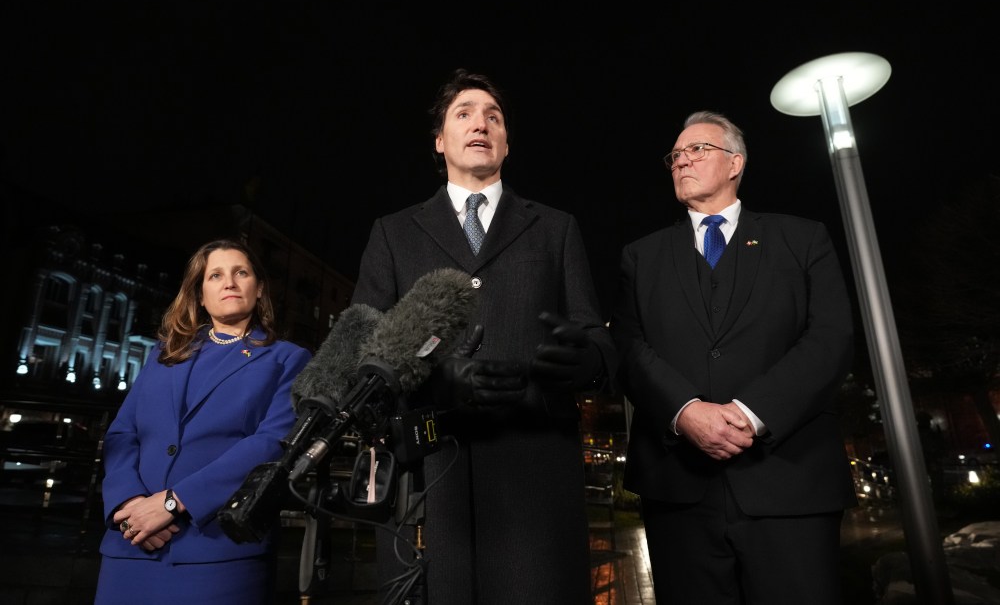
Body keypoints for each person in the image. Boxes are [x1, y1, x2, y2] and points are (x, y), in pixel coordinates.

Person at [350, 68, 617, 605]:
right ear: (439, 140)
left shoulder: (556, 228)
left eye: (493, 117)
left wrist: (589, 360)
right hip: (430, 477)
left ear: (507, 143)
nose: (481, 124)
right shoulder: (394, 232)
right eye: (465, 114)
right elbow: (361, 352)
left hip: (534, 474)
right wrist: (432, 380)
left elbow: (598, 339)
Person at [610, 111, 857, 604]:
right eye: (675, 155)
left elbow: (831, 338)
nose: (682, 161)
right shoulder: (640, 257)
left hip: (792, 482)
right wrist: (686, 411)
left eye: (697, 149)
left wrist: (750, 413)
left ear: (735, 163)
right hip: (678, 490)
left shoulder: (803, 239)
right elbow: (628, 348)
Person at [94, 239, 311, 605]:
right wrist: (128, 505)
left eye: (241, 273)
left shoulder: (287, 359)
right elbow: (122, 432)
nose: (229, 283)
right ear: (199, 294)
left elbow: (272, 443)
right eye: (215, 275)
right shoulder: (165, 353)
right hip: (133, 544)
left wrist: (172, 503)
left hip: (219, 553)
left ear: (259, 288)